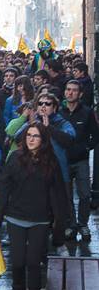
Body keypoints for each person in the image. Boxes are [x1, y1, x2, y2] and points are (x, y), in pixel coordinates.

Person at [0, 123, 68, 290]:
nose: (31, 139)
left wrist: (59, 223)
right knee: (18, 261)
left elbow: (58, 194)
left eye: (36, 136)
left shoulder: (51, 162)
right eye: (29, 135)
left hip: (40, 219)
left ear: (43, 140)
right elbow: (5, 188)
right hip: (16, 217)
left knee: (34, 263)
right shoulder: (15, 158)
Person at [59, 80, 99, 241]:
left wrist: (86, 148)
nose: (70, 93)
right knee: (66, 195)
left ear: (80, 94)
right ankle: (71, 224)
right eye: (68, 89)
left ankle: (83, 224)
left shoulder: (87, 112)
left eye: (74, 90)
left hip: (81, 160)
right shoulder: (60, 112)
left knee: (84, 194)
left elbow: (95, 135)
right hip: (64, 160)